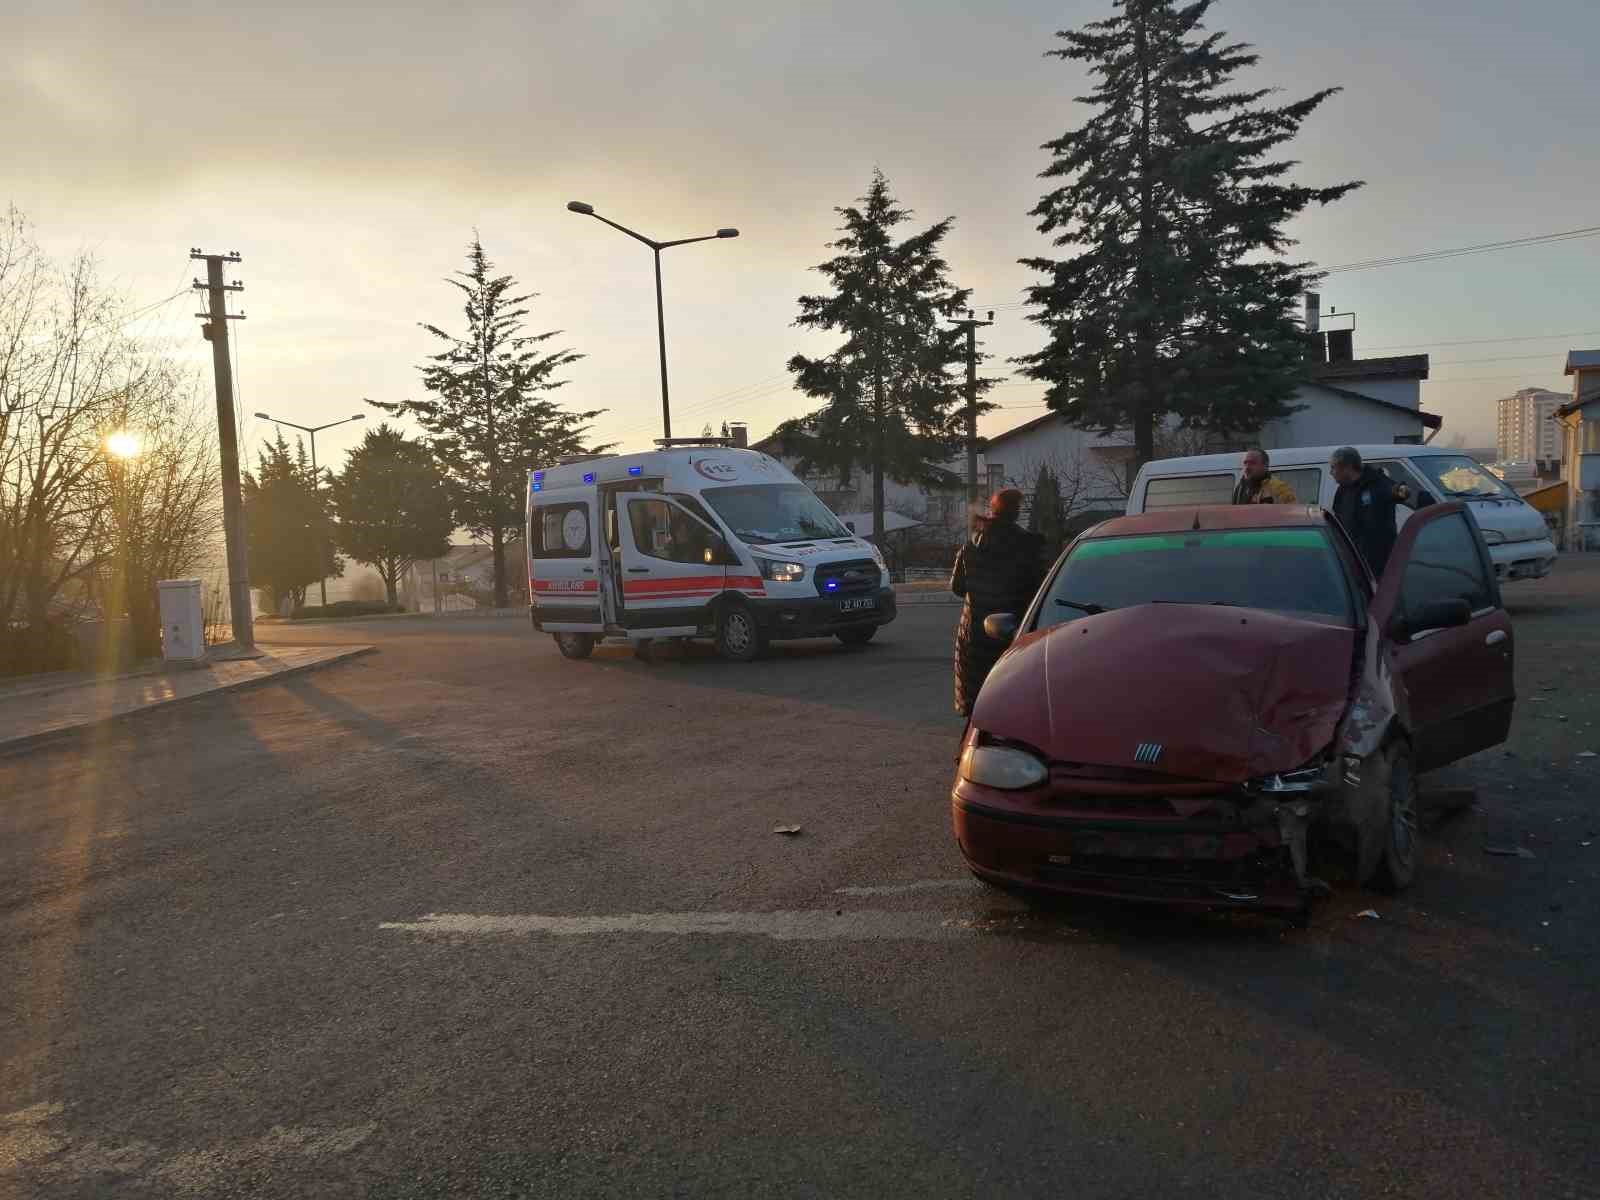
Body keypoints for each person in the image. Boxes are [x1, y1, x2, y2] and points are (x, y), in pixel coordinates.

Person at [951, 489, 1046, 717]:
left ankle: (971, 749)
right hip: (1013, 635)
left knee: (976, 707)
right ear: (1016, 512)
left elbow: (957, 587)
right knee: (1011, 704)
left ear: (993, 510)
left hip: (973, 638)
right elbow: (1040, 590)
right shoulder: (1028, 546)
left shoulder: (970, 547)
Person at [1330, 446, 1402, 578]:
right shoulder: (1342, 491)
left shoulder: (1378, 483)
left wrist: (1402, 492)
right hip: (1354, 561)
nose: (1331, 472)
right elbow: (1338, 520)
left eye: (1333, 468)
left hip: (1381, 563)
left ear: (1347, 467)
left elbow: (1397, 492)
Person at [1231, 447, 1297, 505]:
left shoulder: (1280, 489)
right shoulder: (1240, 488)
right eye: (1245, 463)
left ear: (1265, 465)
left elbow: (1291, 514)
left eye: (1252, 463)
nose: (1247, 467)